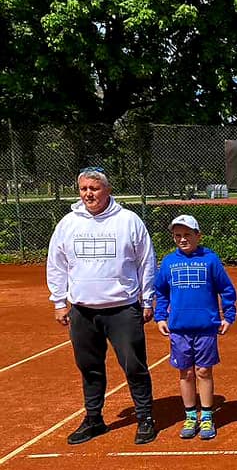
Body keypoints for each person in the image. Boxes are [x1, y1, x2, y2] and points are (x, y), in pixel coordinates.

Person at [46, 167, 158, 445]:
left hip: (123, 309)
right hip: (82, 311)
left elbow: (146, 261)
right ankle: (94, 419)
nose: (88, 194)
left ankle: (145, 418)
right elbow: (56, 264)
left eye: (94, 188)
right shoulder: (68, 223)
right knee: (89, 367)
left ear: (107, 190)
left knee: (134, 366)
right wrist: (59, 302)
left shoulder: (128, 221)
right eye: (83, 189)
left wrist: (147, 298)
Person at [154, 214, 236, 440]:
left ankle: (207, 416)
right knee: (186, 372)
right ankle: (191, 416)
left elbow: (226, 289)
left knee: (203, 371)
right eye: (177, 235)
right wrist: (160, 317)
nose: (182, 239)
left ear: (198, 235)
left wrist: (229, 316)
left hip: (206, 327)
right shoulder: (169, 262)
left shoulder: (211, 260)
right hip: (179, 328)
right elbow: (161, 291)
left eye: (187, 234)